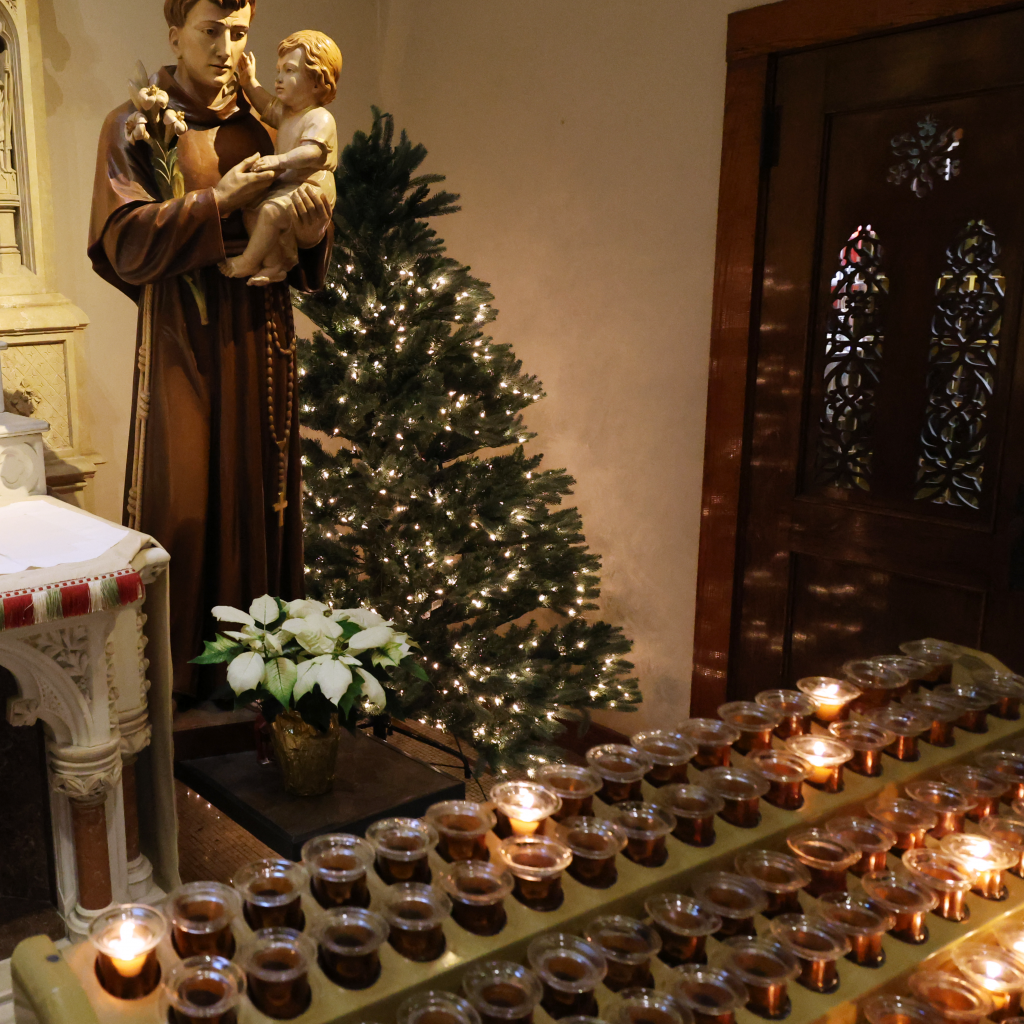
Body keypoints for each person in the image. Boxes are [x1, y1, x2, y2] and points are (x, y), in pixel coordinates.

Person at [88, 0, 333, 696]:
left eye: (238, 32)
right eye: (209, 30)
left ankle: (263, 686)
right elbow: (123, 240)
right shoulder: (135, 124)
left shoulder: (269, 122)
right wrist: (214, 204)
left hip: (260, 330)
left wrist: (313, 235)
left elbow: (307, 235)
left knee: (261, 496)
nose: (225, 47)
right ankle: (179, 692)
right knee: (185, 501)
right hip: (183, 344)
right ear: (174, 35)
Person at [221, 31, 342, 285]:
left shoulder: (318, 118)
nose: (278, 79)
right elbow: (265, 106)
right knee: (254, 212)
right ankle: (273, 264)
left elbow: (314, 152)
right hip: (288, 185)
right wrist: (249, 82)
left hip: (310, 188)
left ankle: (247, 261)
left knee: (271, 212)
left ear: (317, 82)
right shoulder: (288, 112)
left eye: (289, 71)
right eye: (278, 71)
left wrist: (279, 161)